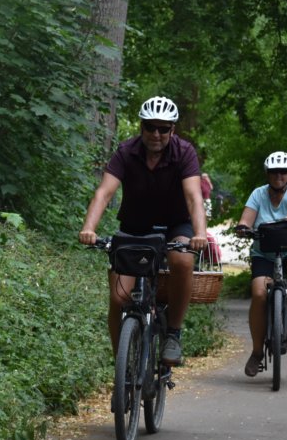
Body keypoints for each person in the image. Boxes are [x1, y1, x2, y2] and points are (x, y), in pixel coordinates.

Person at [78, 95, 208, 366]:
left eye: (163, 128)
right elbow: (104, 192)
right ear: (141, 127)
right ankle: (122, 365)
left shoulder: (184, 153)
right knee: (119, 298)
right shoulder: (126, 152)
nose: (156, 134)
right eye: (150, 127)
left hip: (176, 224)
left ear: (172, 129)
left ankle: (173, 333)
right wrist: (89, 228)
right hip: (135, 226)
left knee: (183, 260)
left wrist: (199, 233)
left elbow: (193, 197)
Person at [233, 151, 287, 377]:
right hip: (264, 251)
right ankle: (257, 352)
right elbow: (246, 219)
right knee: (259, 294)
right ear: (267, 174)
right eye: (274, 171)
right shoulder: (258, 194)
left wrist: (285, 222)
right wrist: (243, 228)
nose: (279, 175)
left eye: (283, 172)